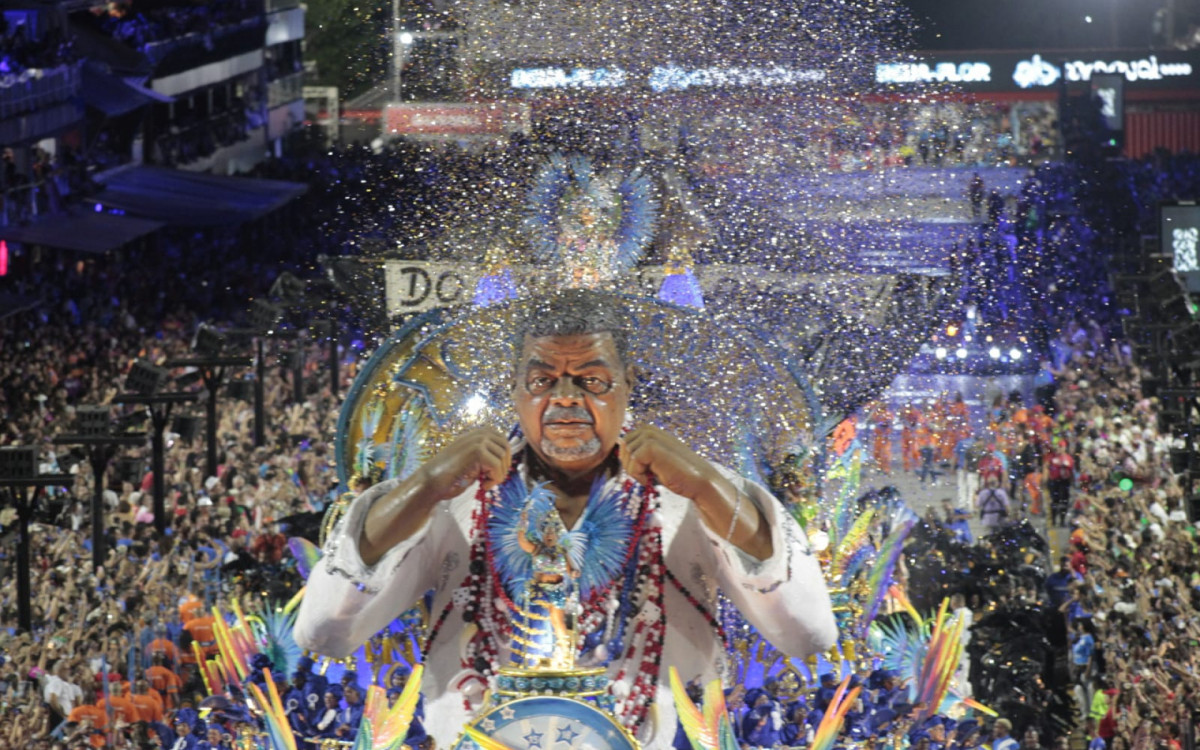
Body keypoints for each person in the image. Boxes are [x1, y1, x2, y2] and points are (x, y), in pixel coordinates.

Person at [295, 291, 837, 747]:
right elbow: (324, 633)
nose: (565, 399)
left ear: (630, 385)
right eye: (542, 380)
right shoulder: (450, 499)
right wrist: (427, 484)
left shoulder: (691, 497)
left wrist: (702, 483)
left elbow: (807, 632)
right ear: (514, 389)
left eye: (592, 381)